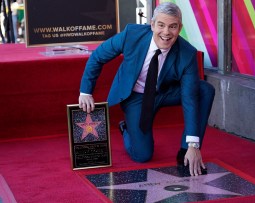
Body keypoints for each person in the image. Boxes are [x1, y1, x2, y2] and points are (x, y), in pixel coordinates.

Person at [79, 2, 215, 176]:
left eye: (172, 27)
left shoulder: (187, 53)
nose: (166, 32)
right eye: (161, 25)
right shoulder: (131, 34)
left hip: (164, 93)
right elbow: (97, 57)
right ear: (152, 24)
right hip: (135, 96)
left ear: (179, 28)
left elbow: (189, 97)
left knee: (204, 90)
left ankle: (185, 154)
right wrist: (85, 92)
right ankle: (126, 128)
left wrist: (193, 145)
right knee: (142, 155)